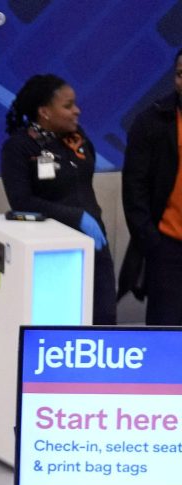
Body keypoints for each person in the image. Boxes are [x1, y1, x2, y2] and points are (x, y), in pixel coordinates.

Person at [1, 74, 117, 325]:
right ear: (44, 112)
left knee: (104, 318)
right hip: (51, 252)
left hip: (95, 243)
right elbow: (22, 201)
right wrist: (76, 217)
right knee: (62, 322)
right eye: (68, 106)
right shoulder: (19, 147)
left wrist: (90, 219)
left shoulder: (77, 137)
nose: (77, 111)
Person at [120, 49, 182, 324]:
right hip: (168, 248)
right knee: (166, 331)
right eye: (180, 74)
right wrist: (151, 241)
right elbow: (134, 187)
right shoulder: (152, 121)